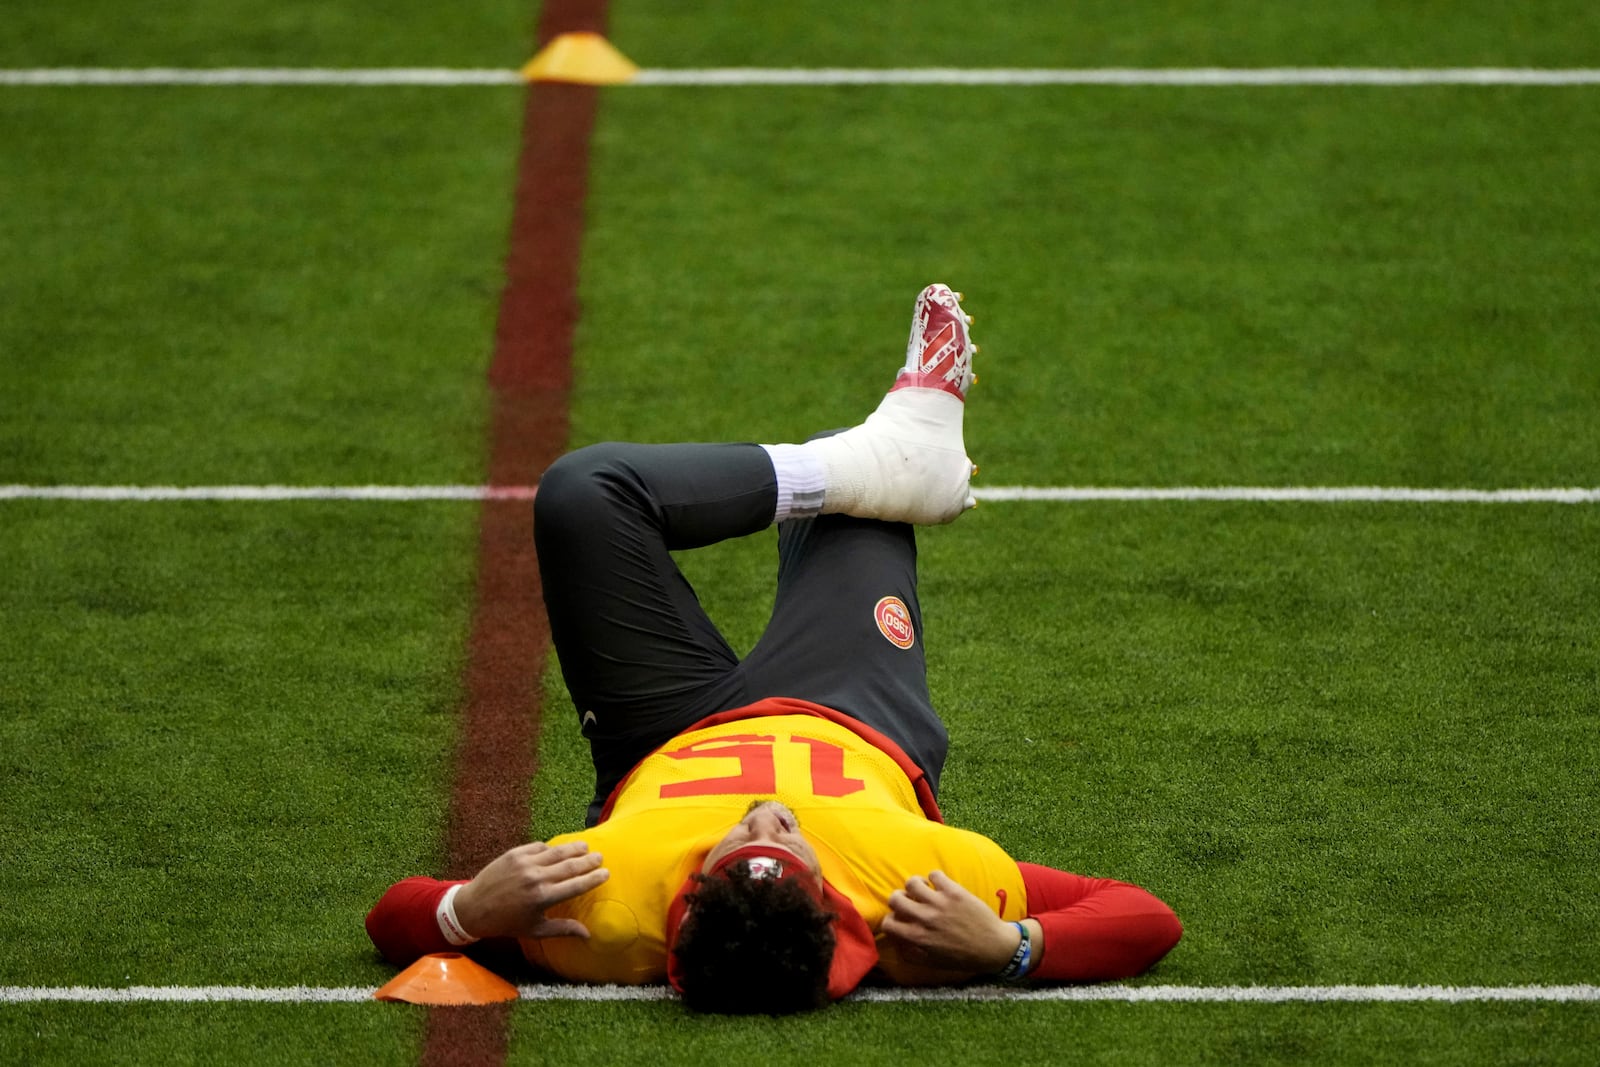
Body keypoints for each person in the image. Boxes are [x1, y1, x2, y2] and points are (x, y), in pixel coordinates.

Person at [366, 284, 1182, 1012]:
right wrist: (1012, 948)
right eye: (790, 840)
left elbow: (392, 913)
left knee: (584, 494)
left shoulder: (602, 911)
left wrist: (465, 911)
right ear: (833, 899)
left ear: (688, 889)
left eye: (740, 839)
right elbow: (1142, 914)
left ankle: (874, 459)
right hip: (853, 712)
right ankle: (881, 459)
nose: (768, 813)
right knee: (860, 500)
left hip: (664, 731)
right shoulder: (911, 893)